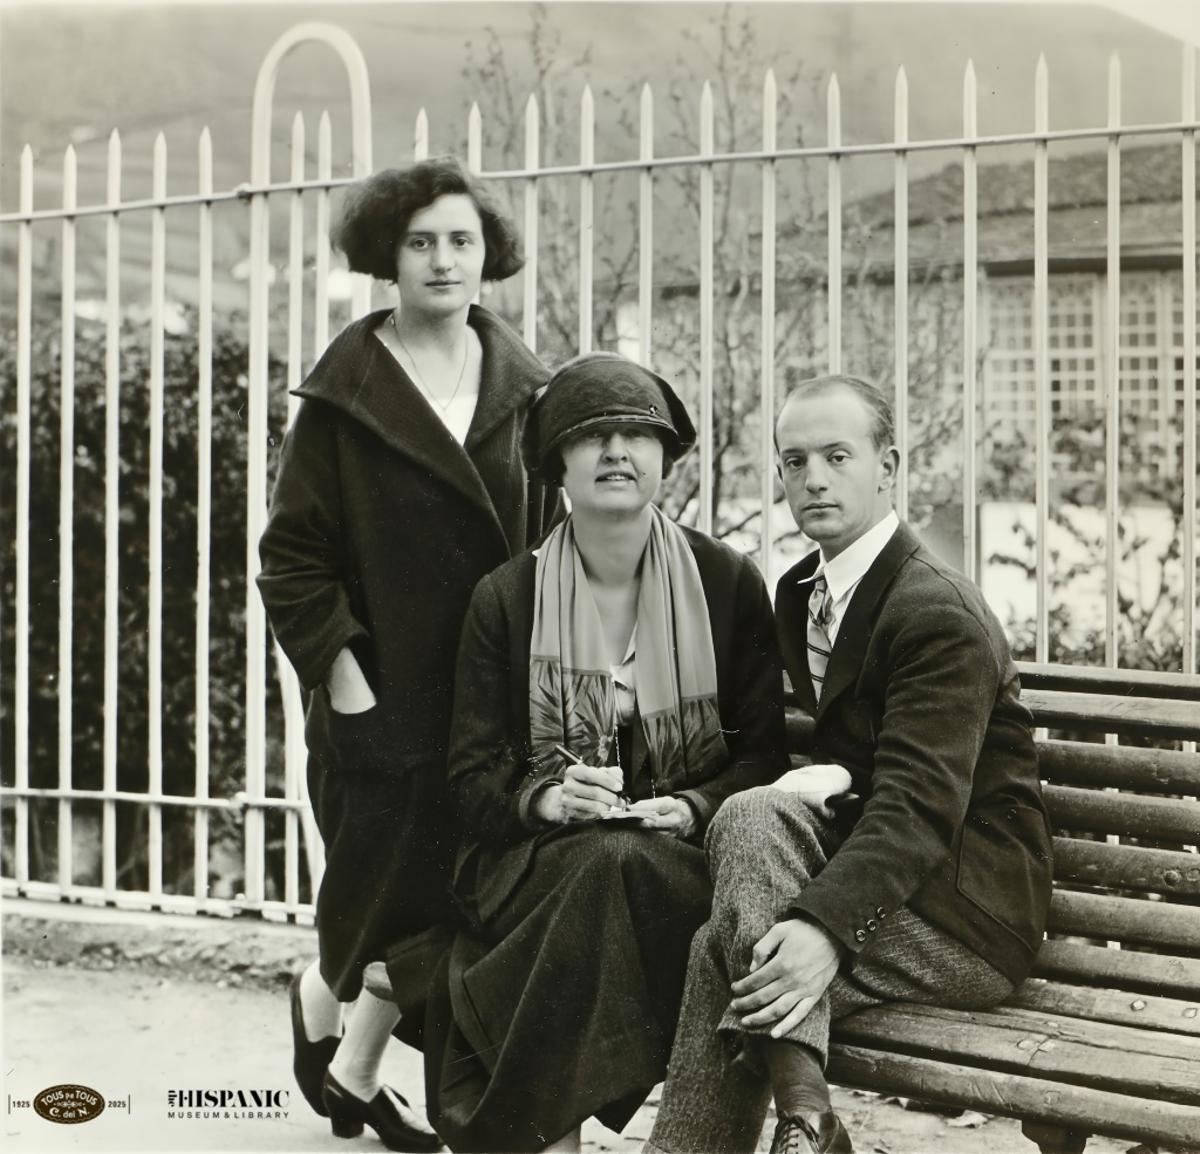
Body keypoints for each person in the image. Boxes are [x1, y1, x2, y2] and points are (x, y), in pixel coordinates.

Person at [646, 375, 1054, 1154]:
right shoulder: (801, 591)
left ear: (889, 466)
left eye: (838, 456)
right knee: (749, 839)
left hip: (967, 915)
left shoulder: (936, 611)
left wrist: (822, 929)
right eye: (795, 463)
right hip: (882, 885)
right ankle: (807, 1122)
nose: (815, 480)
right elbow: (859, 760)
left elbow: (921, 804)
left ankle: (802, 1127)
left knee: (726, 948)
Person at [257, 157, 559, 1152]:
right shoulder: (347, 395)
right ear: (388, 254)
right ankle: (325, 998)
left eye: (460, 240)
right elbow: (291, 557)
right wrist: (345, 683)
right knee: (385, 891)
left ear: (489, 254)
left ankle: (348, 1064)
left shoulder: (525, 387)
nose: (441, 259)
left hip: (492, 698)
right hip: (380, 698)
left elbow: (555, 538)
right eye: (421, 241)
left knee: (464, 895)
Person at [421, 352, 789, 1153]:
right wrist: (547, 800)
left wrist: (693, 804)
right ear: (558, 464)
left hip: (678, 860)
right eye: (593, 436)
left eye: (638, 433)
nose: (617, 451)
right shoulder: (507, 599)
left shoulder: (725, 581)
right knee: (598, 865)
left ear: (666, 457)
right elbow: (469, 780)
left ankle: (537, 1133)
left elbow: (766, 759)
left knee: (616, 865)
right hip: (533, 865)